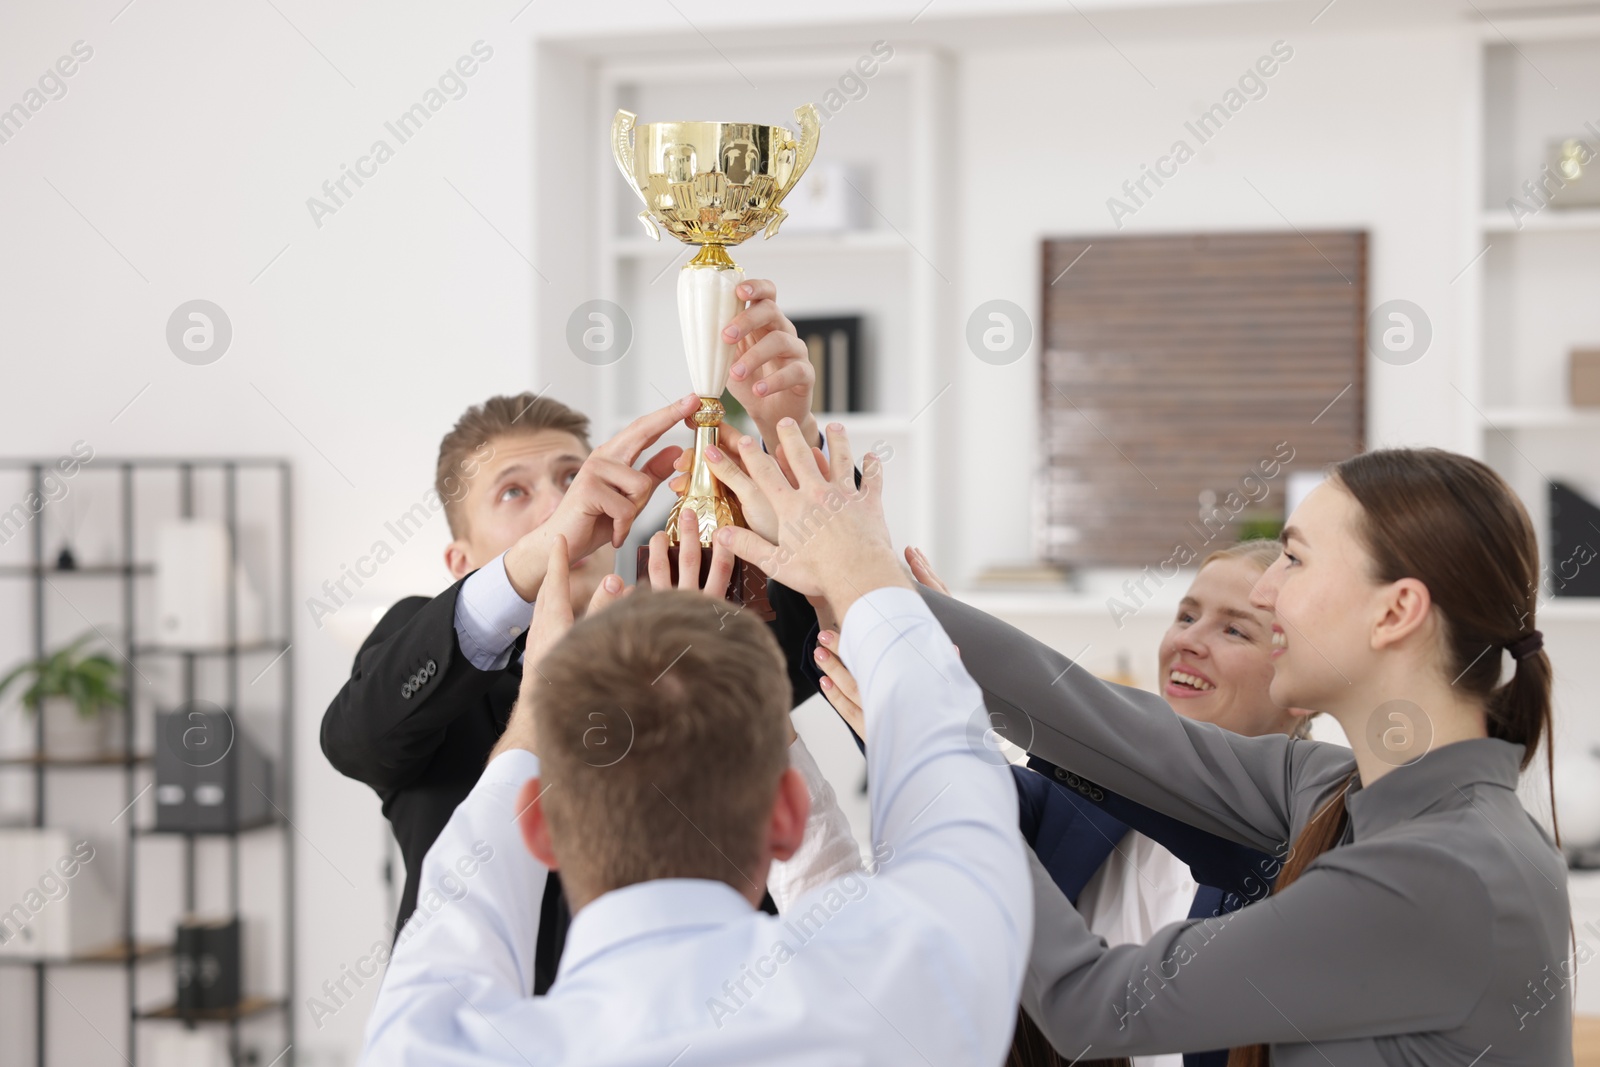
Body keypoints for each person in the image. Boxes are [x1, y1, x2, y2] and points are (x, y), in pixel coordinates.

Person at [859, 448, 1566, 1065]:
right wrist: (874, 585)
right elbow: (1101, 723)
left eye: (1294, 558)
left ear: (1395, 610)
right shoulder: (1347, 793)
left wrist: (942, 740)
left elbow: (1091, 1005)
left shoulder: (1438, 873)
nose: (1266, 587)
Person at [359, 423, 1031, 1066]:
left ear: (539, 824)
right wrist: (862, 567)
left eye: (569, 475)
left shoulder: (433, 1049)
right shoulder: (917, 1004)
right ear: (788, 814)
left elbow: (452, 914)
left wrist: (537, 710)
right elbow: (958, 792)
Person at [320, 280, 845, 990]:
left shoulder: (687, 599)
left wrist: (789, 437)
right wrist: (538, 557)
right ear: (463, 561)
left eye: (573, 474)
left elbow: (815, 639)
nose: (563, 503)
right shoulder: (423, 649)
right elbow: (355, 736)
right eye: (514, 490)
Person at [807, 541, 1305, 1067]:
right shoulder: (1081, 804)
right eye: (1186, 615)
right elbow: (966, 788)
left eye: (1234, 629)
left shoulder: (1316, 852)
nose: (1188, 640)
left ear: (1298, 683)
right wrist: (840, 604)